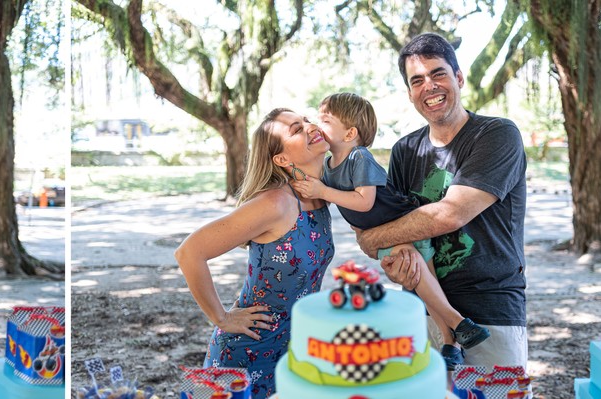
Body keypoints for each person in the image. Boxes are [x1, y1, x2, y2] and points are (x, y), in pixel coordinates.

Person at [354, 32, 528, 368]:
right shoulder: (405, 151)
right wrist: (397, 268)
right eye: (417, 80)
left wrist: (370, 240)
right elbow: (393, 236)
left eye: (438, 74)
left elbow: (450, 215)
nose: (429, 87)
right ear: (409, 94)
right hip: (420, 311)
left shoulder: (497, 135)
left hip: (490, 311)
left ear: (459, 78)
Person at [290, 92, 490, 369]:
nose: (316, 125)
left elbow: (364, 200)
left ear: (349, 133)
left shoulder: (358, 157)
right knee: (427, 286)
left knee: (424, 282)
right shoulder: (327, 165)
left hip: (400, 223)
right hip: (383, 231)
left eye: (324, 120)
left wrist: (323, 191)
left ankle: (457, 324)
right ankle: (451, 339)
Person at [174, 108, 335, 399]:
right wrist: (222, 318)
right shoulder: (275, 203)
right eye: (296, 129)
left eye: (307, 120)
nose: (310, 127)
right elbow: (189, 252)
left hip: (294, 353)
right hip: (244, 355)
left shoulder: (320, 197)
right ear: (282, 160)